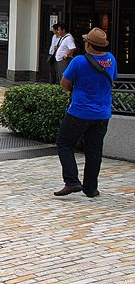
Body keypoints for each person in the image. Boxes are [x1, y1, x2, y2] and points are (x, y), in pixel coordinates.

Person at [54, 28, 117, 198]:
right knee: (94, 151)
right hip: (102, 113)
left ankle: (72, 181)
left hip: (79, 112)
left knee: (64, 143)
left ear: (88, 44)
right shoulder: (111, 59)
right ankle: (90, 188)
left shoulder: (79, 61)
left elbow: (64, 83)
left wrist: (71, 91)